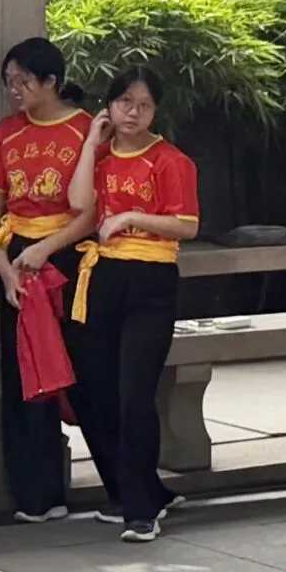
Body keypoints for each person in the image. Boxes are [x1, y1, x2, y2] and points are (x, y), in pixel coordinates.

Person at [68, 66, 199, 544]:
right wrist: (89, 144)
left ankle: (141, 510)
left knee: (135, 393)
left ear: (155, 110)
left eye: (144, 105)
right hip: (102, 276)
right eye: (125, 102)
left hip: (150, 279)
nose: (134, 113)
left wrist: (128, 217)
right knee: (97, 390)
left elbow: (187, 225)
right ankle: (138, 491)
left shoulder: (170, 160)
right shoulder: (101, 158)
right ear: (109, 105)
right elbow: (78, 205)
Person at [0, 39, 91, 524]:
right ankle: (34, 493)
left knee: (75, 369)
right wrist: (3, 265)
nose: (14, 90)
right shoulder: (8, 132)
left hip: (67, 256)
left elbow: (92, 209)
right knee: (23, 372)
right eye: (9, 81)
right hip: (17, 257)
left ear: (51, 82)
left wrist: (46, 249)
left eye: (23, 80)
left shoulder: (86, 129)